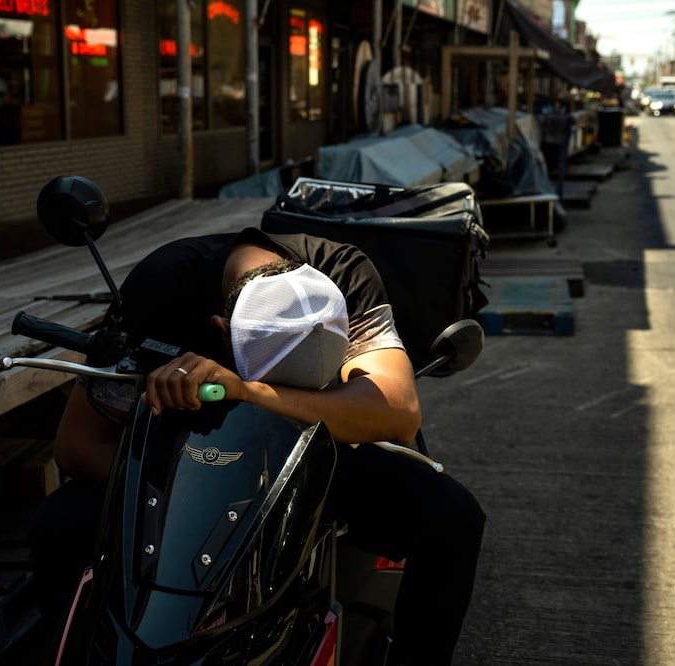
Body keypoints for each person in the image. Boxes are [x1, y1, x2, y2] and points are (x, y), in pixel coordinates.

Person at [29, 227, 486, 665]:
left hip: (315, 455)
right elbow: (77, 444)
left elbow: (399, 413)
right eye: (263, 378)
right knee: (59, 523)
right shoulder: (163, 284)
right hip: (184, 471)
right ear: (221, 330)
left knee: (453, 516)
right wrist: (187, 501)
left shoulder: (345, 273)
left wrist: (250, 392)